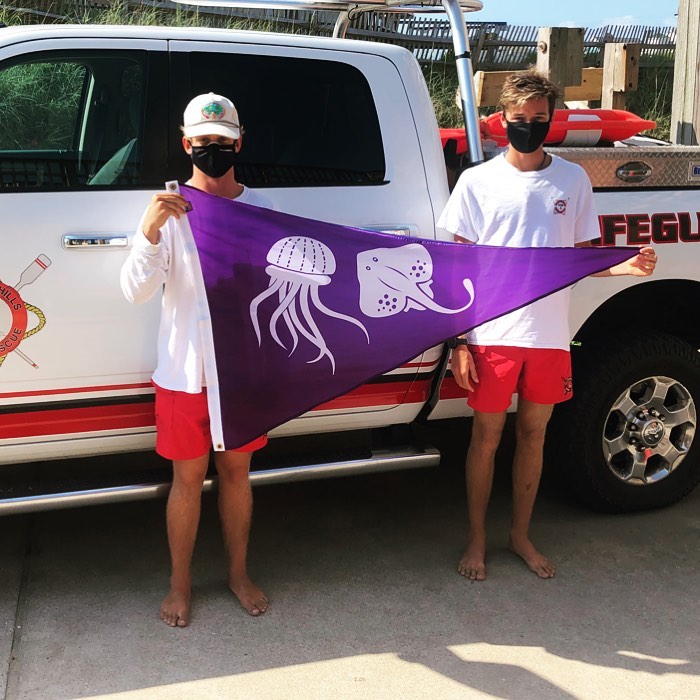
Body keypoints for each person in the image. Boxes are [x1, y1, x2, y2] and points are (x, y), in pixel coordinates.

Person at [437, 71, 657, 582]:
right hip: (492, 334)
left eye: (538, 119)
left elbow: (578, 257)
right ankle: (476, 538)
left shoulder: (572, 179)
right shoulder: (477, 181)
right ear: (502, 122)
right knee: (486, 438)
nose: (528, 127)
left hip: (550, 335)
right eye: (519, 119)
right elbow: (457, 267)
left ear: (552, 121)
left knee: (533, 436)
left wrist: (625, 267)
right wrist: (459, 340)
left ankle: (519, 535)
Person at [121, 93, 272, 626]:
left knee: (237, 475)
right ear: (187, 145)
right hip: (185, 373)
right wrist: (148, 232)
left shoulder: (258, 211)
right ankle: (179, 584)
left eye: (223, 142)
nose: (214, 151)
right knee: (187, 481)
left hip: (240, 375)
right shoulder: (170, 209)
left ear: (239, 142)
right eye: (203, 143)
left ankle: (237, 573)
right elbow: (135, 291)